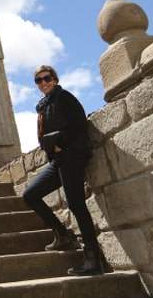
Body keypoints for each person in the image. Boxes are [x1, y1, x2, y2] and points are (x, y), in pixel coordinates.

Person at [21, 65, 103, 276]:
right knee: (30, 194)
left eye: (46, 78)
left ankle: (93, 259)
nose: (43, 83)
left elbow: (79, 124)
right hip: (58, 160)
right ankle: (62, 235)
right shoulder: (43, 106)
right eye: (38, 81)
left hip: (72, 156)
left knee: (76, 204)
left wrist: (61, 143)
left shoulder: (64, 97)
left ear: (55, 79)